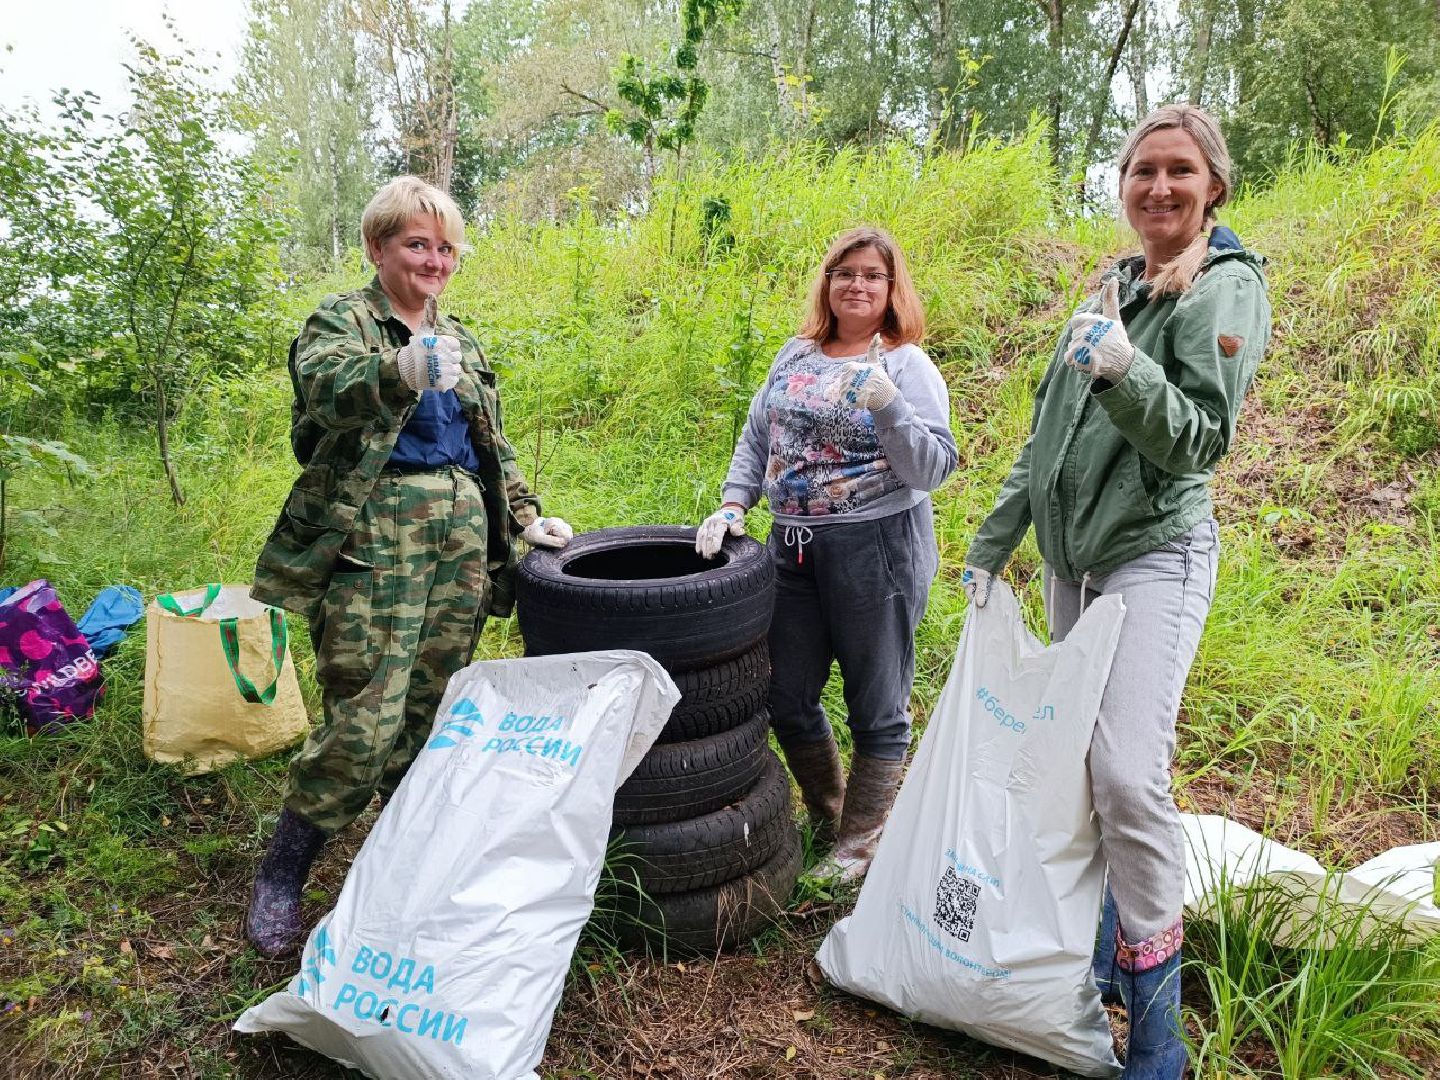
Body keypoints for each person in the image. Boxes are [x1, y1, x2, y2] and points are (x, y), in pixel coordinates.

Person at [962, 105, 1270, 1077]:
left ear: (1212, 185)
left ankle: (1161, 1039)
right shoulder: (1113, 288)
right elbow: (1043, 439)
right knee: (1076, 775)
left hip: (1152, 554)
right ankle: (1096, 962)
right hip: (1072, 564)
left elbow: (1199, 439)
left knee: (1130, 778)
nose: (1160, 188)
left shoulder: (1221, 289)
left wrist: (1126, 370)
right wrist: (990, 545)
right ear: (1124, 186)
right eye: (1143, 171)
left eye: (1180, 171)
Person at [245, 176, 573, 957]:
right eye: (416, 244)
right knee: (365, 718)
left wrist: (527, 515)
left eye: (445, 247)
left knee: (432, 713)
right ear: (377, 248)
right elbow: (326, 390)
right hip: (374, 542)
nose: (433, 260)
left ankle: (402, 867)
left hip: (460, 544)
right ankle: (282, 875)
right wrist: (398, 371)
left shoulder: (464, 340)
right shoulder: (345, 320)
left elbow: (491, 446)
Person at [696, 226, 957, 884]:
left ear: (892, 288)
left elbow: (933, 467)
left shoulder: (904, 364)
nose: (858, 285)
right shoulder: (796, 354)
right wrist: (733, 505)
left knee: (878, 702)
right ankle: (830, 814)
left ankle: (860, 847)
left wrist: (891, 408)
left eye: (873, 275)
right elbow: (759, 436)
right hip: (792, 549)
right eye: (846, 273)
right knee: (785, 694)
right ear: (828, 282)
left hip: (876, 548)